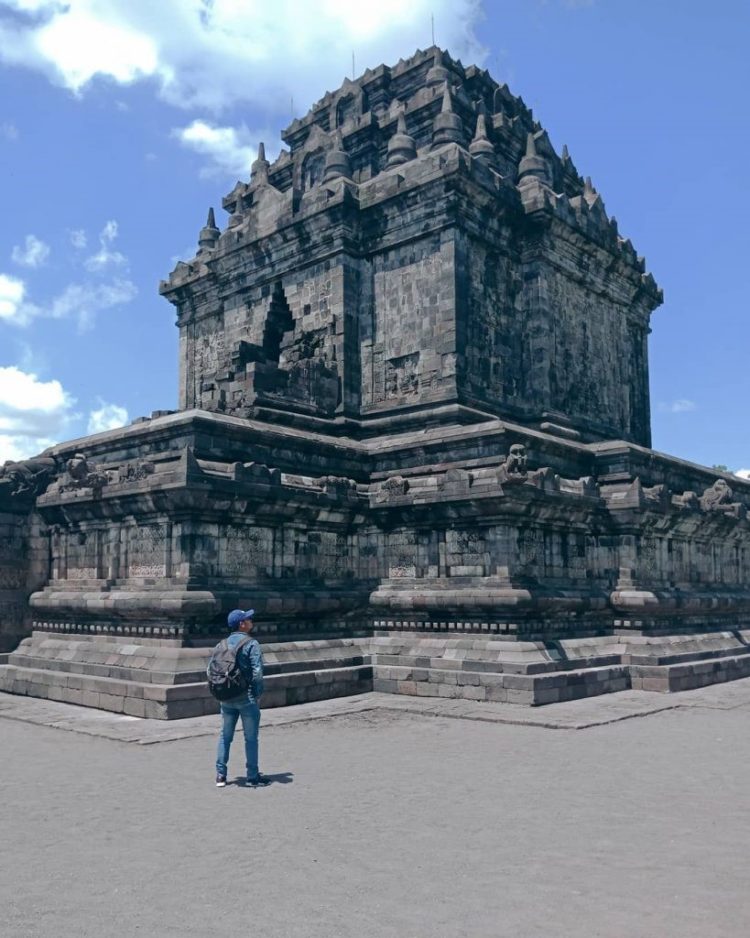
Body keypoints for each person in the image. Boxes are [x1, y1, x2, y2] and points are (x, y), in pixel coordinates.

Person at [214, 608, 269, 788]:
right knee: (251, 738)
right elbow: (258, 672)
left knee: (225, 736)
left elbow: (210, 670)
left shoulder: (221, 644)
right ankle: (252, 776)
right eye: (248, 619)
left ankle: (221, 775)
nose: (251, 621)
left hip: (226, 696)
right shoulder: (251, 644)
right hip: (246, 697)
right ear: (242, 624)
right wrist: (257, 693)